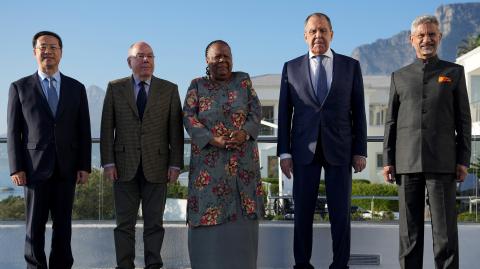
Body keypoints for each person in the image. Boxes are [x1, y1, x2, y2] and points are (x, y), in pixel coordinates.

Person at [277, 13, 367, 269]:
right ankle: (302, 264)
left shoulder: (350, 66)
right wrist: (284, 152)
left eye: (323, 30)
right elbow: (285, 114)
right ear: (305, 36)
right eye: (313, 31)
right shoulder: (290, 67)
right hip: (303, 151)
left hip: (340, 149)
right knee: (302, 214)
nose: (318, 35)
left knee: (340, 215)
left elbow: (358, 112)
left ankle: (340, 265)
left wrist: (360, 150)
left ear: (332, 34)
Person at [383, 15, 471, 269]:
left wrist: (463, 159)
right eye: (421, 35)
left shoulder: (453, 72)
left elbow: (464, 121)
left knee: (445, 235)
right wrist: (388, 161)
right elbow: (390, 122)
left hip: (443, 163)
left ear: (439, 38)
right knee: (409, 235)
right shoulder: (398, 76)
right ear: (411, 40)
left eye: (431, 34)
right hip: (406, 163)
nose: (426, 40)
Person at [7, 31, 92, 269]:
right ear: (35, 52)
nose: (48, 51)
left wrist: (84, 165)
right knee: (34, 228)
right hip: (33, 170)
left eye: (53, 47)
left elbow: (84, 130)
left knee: (63, 227)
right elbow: (13, 132)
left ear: (61, 52)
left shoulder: (77, 88)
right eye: (43, 47)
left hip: (67, 169)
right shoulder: (19, 87)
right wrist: (16, 167)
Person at [100, 41, 184, 269]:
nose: (146, 60)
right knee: (123, 224)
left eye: (150, 56)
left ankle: (153, 265)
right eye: (140, 56)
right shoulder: (115, 88)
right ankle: (124, 266)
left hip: (157, 166)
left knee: (154, 224)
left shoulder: (169, 89)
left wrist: (176, 164)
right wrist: (108, 162)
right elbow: (107, 128)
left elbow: (175, 131)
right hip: (123, 166)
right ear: (130, 62)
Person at [183, 40, 264, 269]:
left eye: (226, 56)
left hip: (243, 170)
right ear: (207, 61)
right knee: (209, 244)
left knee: (242, 241)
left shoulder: (243, 81)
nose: (222, 61)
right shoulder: (197, 85)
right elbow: (188, 117)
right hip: (209, 172)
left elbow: (256, 110)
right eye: (217, 57)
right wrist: (212, 139)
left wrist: (245, 133)